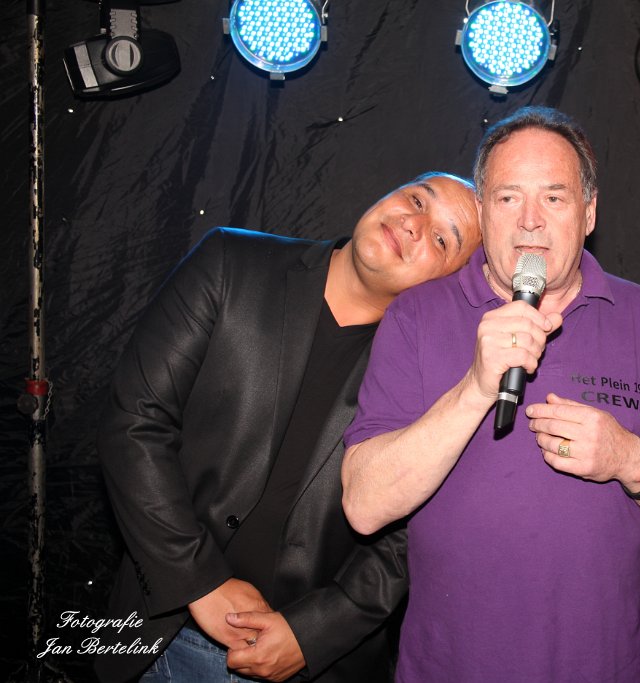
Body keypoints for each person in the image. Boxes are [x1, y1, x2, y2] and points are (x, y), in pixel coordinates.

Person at [340, 106, 640, 683]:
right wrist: (475, 388)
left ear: (589, 212)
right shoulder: (416, 314)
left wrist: (630, 460)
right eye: (509, 197)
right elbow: (364, 507)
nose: (530, 221)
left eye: (554, 198)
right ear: (483, 211)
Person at [95, 172, 482, 683]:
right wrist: (197, 582)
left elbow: (414, 536)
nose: (413, 223)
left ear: (452, 283)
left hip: (311, 666)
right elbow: (135, 421)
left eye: (442, 239)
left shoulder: (444, 379)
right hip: (165, 630)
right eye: (417, 199)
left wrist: (311, 633)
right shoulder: (231, 261)